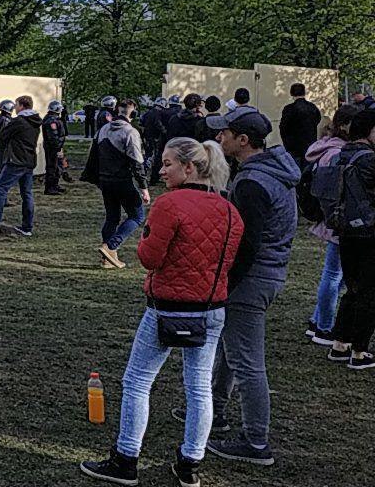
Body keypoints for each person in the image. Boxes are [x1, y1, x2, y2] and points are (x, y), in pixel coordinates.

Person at [80, 137, 243, 487]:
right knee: (199, 387)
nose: (160, 169)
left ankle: (126, 460)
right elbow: (232, 258)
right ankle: (190, 463)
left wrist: (145, 243)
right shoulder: (229, 209)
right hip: (211, 309)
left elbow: (149, 258)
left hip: (167, 307)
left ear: (189, 167)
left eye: (168, 163)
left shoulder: (169, 205)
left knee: (138, 381)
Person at [201, 106, 300, 466]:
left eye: (224, 134)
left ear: (243, 141)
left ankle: (256, 442)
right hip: (268, 274)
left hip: (251, 280)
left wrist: (222, 283)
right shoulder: (272, 173)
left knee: (247, 363)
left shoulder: (253, 182)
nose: (218, 138)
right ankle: (216, 411)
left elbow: (246, 243)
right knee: (231, 350)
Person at [303, 105, 362, 345]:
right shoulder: (337, 153)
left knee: (337, 275)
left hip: (333, 220)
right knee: (334, 275)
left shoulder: (326, 148)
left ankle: (318, 320)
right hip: (339, 220)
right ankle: (324, 327)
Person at [326, 107, 375, 370]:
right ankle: (360, 351)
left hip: (345, 230)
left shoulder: (339, 155)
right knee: (369, 292)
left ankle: (340, 342)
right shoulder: (369, 159)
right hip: (369, 231)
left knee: (352, 288)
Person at [95, 99, 151, 269]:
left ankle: (108, 259)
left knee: (112, 217)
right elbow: (136, 162)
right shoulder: (131, 132)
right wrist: (144, 188)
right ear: (133, 114)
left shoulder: (103, 129)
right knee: (137, 215)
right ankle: (111, 246)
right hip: (122, 180)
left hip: (105, 180)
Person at [0, 95, 41, 236]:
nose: (15, 108)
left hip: (15, 160)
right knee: (27, 193)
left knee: (0, 188)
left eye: (16, 105)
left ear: (22, 106)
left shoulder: (19, 121)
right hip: (29, 161)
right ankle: (27, 227)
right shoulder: (35, 122)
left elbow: (2, 135)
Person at [279, 82, 323, 167]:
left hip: (293, 147)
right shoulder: (312, 107)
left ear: (291, 93)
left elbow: (283, 127)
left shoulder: (289, 109)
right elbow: (318, 119)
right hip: (310, 144)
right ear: (304, 92)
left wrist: (286, 142)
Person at [42, 100, 67, 195]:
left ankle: (55, 185)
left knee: (57, 167)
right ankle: (50, 187)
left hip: (54, 147)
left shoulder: (52, 119)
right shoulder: (52, 121)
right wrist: (58, 148)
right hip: (53, 148)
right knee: (52, 167)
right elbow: (53, 136)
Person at [140, 98, 168, 186]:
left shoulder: (148, 112)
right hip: (154, 138)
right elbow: (158, 124)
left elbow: (142, 122)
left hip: (146, 137)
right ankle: (143, 174)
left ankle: (143, 173)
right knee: (151, 156)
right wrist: (166, 132)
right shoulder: (157, 113)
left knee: (148, 155)